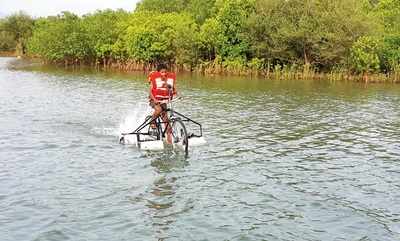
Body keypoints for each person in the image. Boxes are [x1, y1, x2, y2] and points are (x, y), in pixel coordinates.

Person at [147, 63, 177, 143]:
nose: (164, 74)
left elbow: (173, 89)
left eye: (165, 72)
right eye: (162, 72)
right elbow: (150, 92)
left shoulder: (167, 80)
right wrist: (155, 100)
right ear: (158, 73)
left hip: (163, 101)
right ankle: (152, 121)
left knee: (166, 121)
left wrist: (178, 95)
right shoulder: (155, 79)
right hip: (154, 100)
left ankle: (169, 140)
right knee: (159, 110)